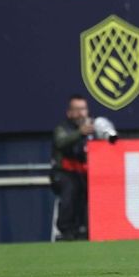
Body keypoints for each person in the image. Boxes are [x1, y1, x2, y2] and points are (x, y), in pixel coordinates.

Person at [51, 95, 94, 241]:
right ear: (69, 113)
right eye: (77, 110)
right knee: (71, 188)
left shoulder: (92, 129)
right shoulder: (62, 129)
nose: (81, 113)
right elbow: (60, 142)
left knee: (94, 190)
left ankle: (86, 228)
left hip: (84, 173)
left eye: (83, 109)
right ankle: (66, 229)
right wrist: (80, 133)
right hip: (62, 173)